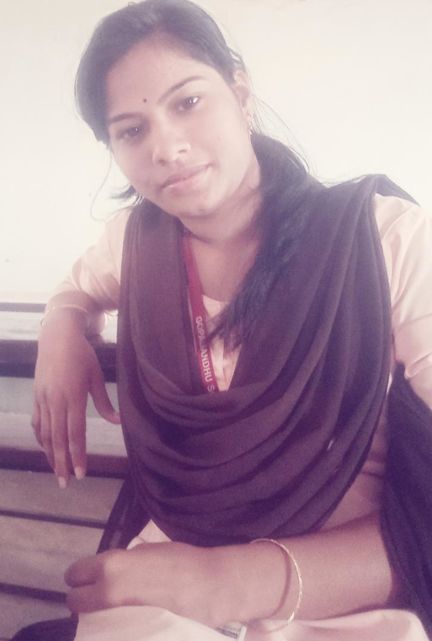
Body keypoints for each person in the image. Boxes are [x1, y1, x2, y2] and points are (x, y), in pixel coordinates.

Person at [27, 1, 432, 639]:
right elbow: (75, 288)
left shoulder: (386, 240)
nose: (166, 147)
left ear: (240, 95)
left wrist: (225, 581)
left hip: (343, 597)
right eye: (131, 131)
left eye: (188, 102)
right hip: (170, 580)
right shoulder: (135, 244)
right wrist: (60, 326)